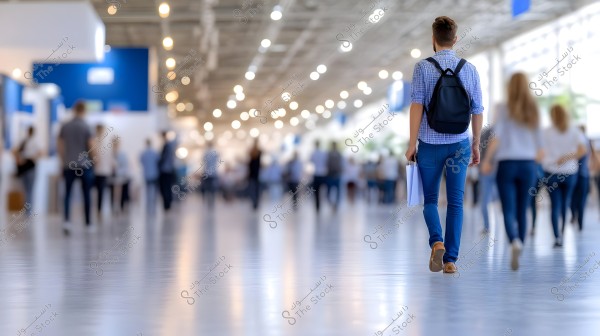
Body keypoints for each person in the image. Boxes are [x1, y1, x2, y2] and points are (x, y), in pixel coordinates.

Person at [405, 16, 483, 274]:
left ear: (433, 39)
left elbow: (417, 105)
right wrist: (476, 144)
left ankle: (436, 241)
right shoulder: (469, 68)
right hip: (460, 143)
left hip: (429, 143)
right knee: (456, 203)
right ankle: (450, 260)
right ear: (456, 39)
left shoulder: (422, 67)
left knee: (429, 199)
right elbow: (477, 110)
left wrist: (411, 143)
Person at [481, 73, 543, 270]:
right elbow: (540, 145)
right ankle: (521, 244)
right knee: (522, 208)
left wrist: (488, 160)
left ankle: (513, 241)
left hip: (506, 164)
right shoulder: (533, 109)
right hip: (527, 164)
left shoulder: (503, 108)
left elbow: (496, 137)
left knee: (507, 208)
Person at [541, 105, 586, 247]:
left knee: (555, 205)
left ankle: (557, 237)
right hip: (570, 173)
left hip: (551, 172)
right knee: (565, 204)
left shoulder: (546, 132)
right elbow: (583, 150)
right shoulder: (575, 131)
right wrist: (567, 157)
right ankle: (562, 232)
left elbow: (539, 151)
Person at [58, 101, 95, 234]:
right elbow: (91, 145)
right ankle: (88, 223)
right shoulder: (86, 126)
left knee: (68, 194)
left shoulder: (65, 126)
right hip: (84, 165)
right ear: (84, 110)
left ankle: (67, 222)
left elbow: (60, 145)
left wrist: (63, 161)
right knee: (86, 194)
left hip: (69, 165)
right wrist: (94, 160)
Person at [570, 126, 593, 231]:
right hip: (582, 174)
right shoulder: (585, 143)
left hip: (575, 174)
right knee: (581, 199)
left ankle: (576, 217)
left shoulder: (577, 143)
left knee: (574, 198)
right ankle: (579, 221)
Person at [13, 126, 41, 211]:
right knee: (29, 190)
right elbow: (40, 153)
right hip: (29, 166)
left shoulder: (25, 141)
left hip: (26, 166)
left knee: (27, 190)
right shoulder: (32, 141)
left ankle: (27, 210)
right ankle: (28, 210)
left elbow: (15, 151)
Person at [478, 124, 496, 234]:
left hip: (485, 169)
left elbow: (479, 149)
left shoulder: (485, 132)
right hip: (498, 169)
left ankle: (487, 226)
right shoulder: (507, 130)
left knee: (484, 199)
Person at [92, 124, 112, 218]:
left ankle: (99, 211)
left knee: (101, 192)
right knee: (95, 192)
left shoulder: (105, 143)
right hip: (95, 171)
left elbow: (109, 158)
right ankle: (96, 210)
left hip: (103, 171)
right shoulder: (94, 142)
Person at [109, 137, 130, 214]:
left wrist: (118, 170)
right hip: (111, 176)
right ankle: (113, 208)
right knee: (112, 193)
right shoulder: (110, 153)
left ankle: (120, 207)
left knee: (120, 193)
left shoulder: (122, 154)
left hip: (120, 176)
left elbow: (125, 166)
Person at [158, 131, 177, 211]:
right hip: (169, 170)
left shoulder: (166, 146)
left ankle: (167, 204)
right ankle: (168, 204)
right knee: (168, 187)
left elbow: (163, 158)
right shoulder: (170, 146)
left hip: (165, 170)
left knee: (165, 188)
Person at [140, 138, 159, 213]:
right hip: (154, 174)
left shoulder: (143, 153)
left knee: (148, 190)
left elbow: (141, 162)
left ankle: (148, 205)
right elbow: (158, 161)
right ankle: (153, 204)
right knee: (153, 190)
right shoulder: (154, 153)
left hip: (147, 174)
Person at [310, 140, 328, 212]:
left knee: (316, 192)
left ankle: (318, 205)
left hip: (317, 174)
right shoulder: (323, 153)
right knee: (322, 190)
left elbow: (311, 161)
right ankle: (321, 204)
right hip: (322, 174)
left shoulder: (314, 153)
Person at [201, 141, 220, 208]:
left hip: (207, 173)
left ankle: (207, 200)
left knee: (206, 188)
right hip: (213, 173)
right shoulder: (215, 153)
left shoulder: (206, 152)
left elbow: (203, 162)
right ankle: (211, 201)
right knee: (212, 188)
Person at [326, 141, 343, 212]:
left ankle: (336, 204)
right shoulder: (328, 154)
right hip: (330, 174)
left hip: (337, 175)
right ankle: (331, 203)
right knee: (328, 191)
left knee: (338, 191)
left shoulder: (339, 154)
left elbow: (341, 164)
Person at [248, 139, 262, 210]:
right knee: (255, 190)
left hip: (254, 175)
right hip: (256, 175)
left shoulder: (256, 152)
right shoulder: (258, 152)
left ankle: (255, 203)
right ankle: (255, 203)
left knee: (253, 190)